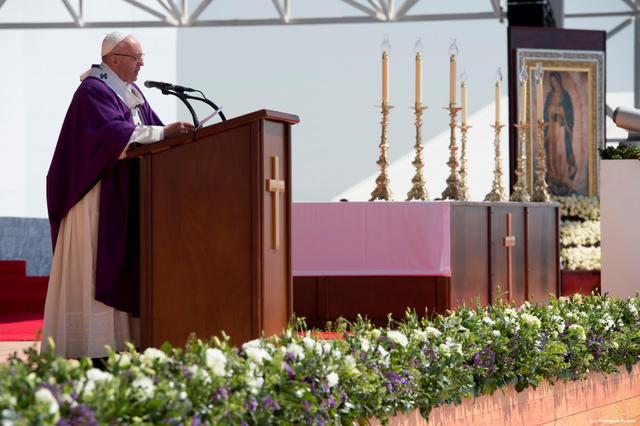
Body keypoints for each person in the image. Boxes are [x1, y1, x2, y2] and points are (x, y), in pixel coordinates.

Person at [42, 32, 194, 359]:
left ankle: (122, 345)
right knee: (95, 267)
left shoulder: (131, 92)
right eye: (136, 58)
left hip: (120, 198)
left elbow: (151, 128)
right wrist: (162, 134)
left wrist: (176, 141)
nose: (141, 64)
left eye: (141, 57)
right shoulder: (92, 91)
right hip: (94, 199)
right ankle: (91, 347)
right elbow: (112, 134)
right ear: (113, 60)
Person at [544, 71, 577, 192]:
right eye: (552, 82)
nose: (554, 84)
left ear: (559, 81)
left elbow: (569, 114)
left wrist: (561, 110)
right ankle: (553, 177)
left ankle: (563, 177)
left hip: (562, 129)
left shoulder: (565, 95)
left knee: (561, 152)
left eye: (555, 81)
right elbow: (545, 113)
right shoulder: (549, 96)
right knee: (552, 153)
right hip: (552, 128)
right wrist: (551, 111)